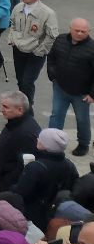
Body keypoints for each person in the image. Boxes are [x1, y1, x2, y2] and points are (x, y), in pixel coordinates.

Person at [47, 18, 94, 155]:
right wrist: (53, 75)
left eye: (83, 31)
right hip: (60, 87)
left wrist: (92, 94)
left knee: (82, 119)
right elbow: (51, 58)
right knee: (56, 115)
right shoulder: (60, 40)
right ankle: (52, 142)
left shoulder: (92, 48)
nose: (79, 33)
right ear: (70, 29)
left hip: (82, 92)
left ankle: (83, 143)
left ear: (88, 31)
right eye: (77, 30)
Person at [8, 0, 58, 106]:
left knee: (27, 82)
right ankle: (22, 105)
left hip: (35, 53)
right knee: (20, 80)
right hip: (19, 49)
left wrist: (40, 51)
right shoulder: (18, 7)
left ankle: (28, 108)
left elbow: (52, 36)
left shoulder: (47, 13)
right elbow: (12, 24)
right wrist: (12, 40)